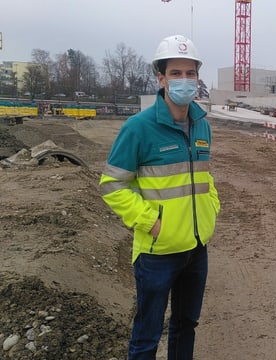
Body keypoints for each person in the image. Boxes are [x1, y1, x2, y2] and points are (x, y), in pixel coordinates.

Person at [99, 34, 220, 360]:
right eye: (176, 73)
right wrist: (151, 222)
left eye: (190, 73)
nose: (184, 80)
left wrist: (211, 208)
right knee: (147, 334)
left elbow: (204, 177)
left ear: (198, 78)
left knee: (186, 326)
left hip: (196, 249)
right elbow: (112, 184)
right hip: (157, 253)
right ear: (161, 78)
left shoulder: (202, 125)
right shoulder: (138, 128)